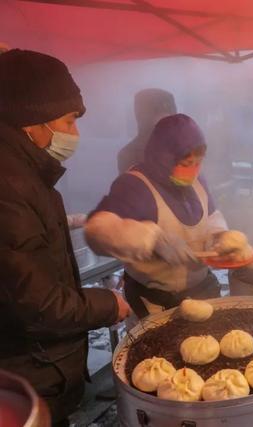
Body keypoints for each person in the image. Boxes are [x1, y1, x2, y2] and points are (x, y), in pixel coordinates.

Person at [0, 49, 129, 426]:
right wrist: (108, 304)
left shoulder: (26, 176)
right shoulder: (10, 185)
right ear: (32, 120)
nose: (74, 134)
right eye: (69, 121)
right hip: (27, 374)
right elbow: (37, 303)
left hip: (39, 366)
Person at [86, 114, 228, 319]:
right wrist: (152, 239)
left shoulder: (197, 181)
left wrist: (219, 236)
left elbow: (212, 215)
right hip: (156, 306)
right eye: (187, 162)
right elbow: (97, 230)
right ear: (165, 158)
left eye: (198, 163)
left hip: (201, 295)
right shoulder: (134, 186)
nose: (193, 170)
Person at [117, 88, 177, 174]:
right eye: (158, 114)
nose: (166, 122)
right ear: (144, 117)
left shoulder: (185, 149)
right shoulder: (129, 154)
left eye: (170, 116)